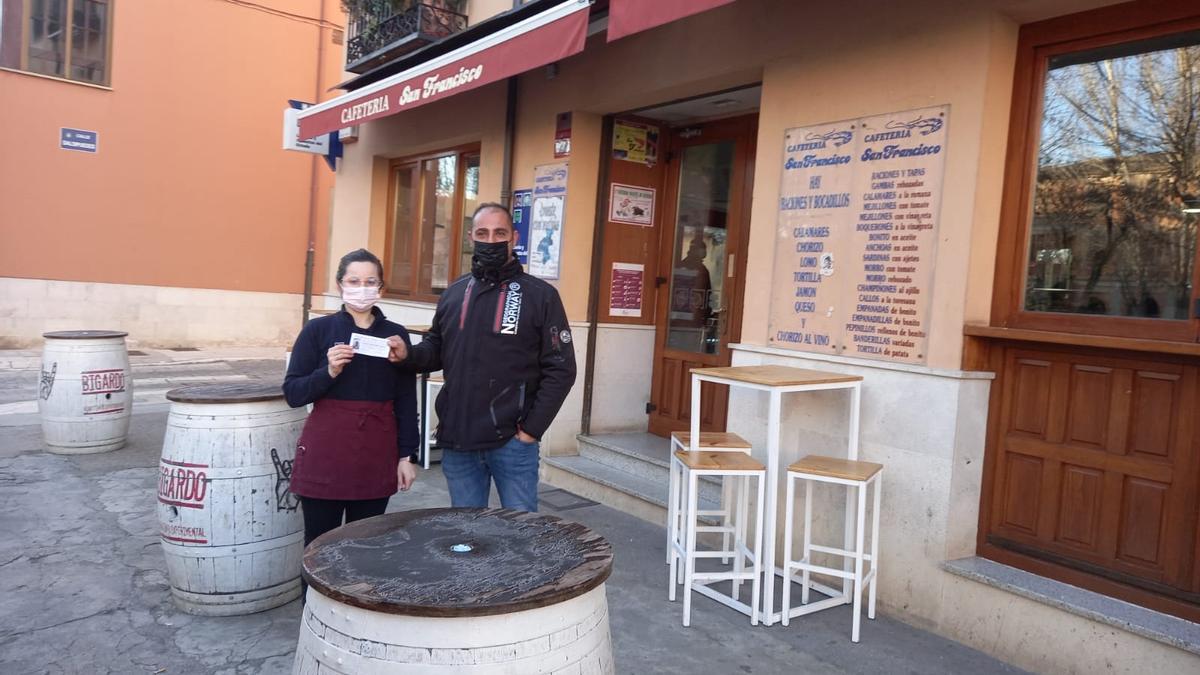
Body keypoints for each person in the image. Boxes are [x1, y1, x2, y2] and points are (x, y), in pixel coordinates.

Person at [389, 202, 576, 512]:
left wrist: (530, 430)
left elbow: (561, 369)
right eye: (483, 233)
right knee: (467, 540)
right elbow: (436, 347)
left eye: (499, 233)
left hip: (512, 444)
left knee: (520, 535)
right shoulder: (454, 292)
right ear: (471, 237)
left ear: (514, 237)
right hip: (458, 441)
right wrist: (409, 354)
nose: (490, 240)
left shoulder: (540, 296)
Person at [282, 248, 419, 546]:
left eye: (370, 282)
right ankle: (314, 595)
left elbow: (407, 399)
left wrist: (407, 456)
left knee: (367, 543)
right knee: (319, 543)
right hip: (325, 451)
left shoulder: (395, 335)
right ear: (340, 285)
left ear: (381, 288)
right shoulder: (318, 330)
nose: (362, 288)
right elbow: (293, 393)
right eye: (354, 281)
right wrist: (328, 371)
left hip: (377, 451)